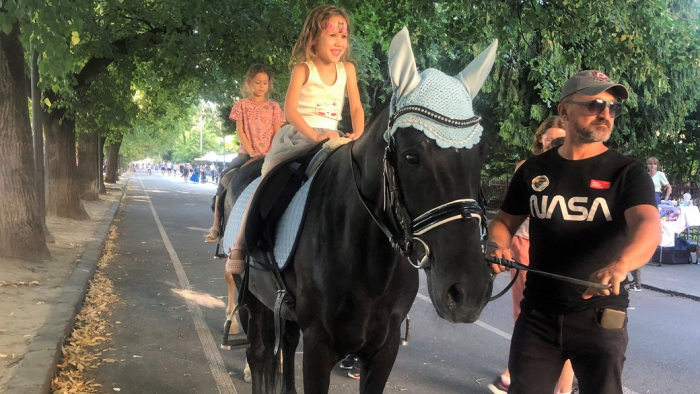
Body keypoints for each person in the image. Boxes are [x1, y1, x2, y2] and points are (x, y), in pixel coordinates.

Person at [487, 70, 661, 394]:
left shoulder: (627, 172)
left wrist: (621, 264)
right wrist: (496, 243)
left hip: (600, 317)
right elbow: (504, 222)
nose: (606, 114)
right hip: (538, 315)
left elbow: (648, 227)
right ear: (565, 111)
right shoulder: (534, 170)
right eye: (595, 105)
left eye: (612, 108)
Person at [223, 4, 365, 376]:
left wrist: (359, 134)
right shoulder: (303, 69)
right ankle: (241, 244)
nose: (338, 41)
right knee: (269, 180)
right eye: (332, 34)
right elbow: (290, 109)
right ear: (314, 36)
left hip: (335, 140)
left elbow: (357, 107)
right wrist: (315, 134)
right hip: (300, 137)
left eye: (343, 35)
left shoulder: (347, 70)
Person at [489, 117, 574, 394]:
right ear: (541, 141)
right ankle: (518, 372)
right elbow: (509, 216)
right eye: (551, 140)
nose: (556, 145)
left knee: (567, 319)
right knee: (526, 312)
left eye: (562, 139)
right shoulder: (527, 169)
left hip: (563, 251)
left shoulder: (576, 169)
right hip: (525, 243)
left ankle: (560, 387)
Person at [204, 64, 287, 243]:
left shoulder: (274, 107)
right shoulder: (241, 105)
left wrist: (272, 151)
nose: (261, 86)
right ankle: (216, 224)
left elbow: (277, 131)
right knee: (225, 178)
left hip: (270, 153)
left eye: (265, 82)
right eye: (258, 82)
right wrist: (251, 151)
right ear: (249, 83)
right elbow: (240, 131)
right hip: (247, 153)